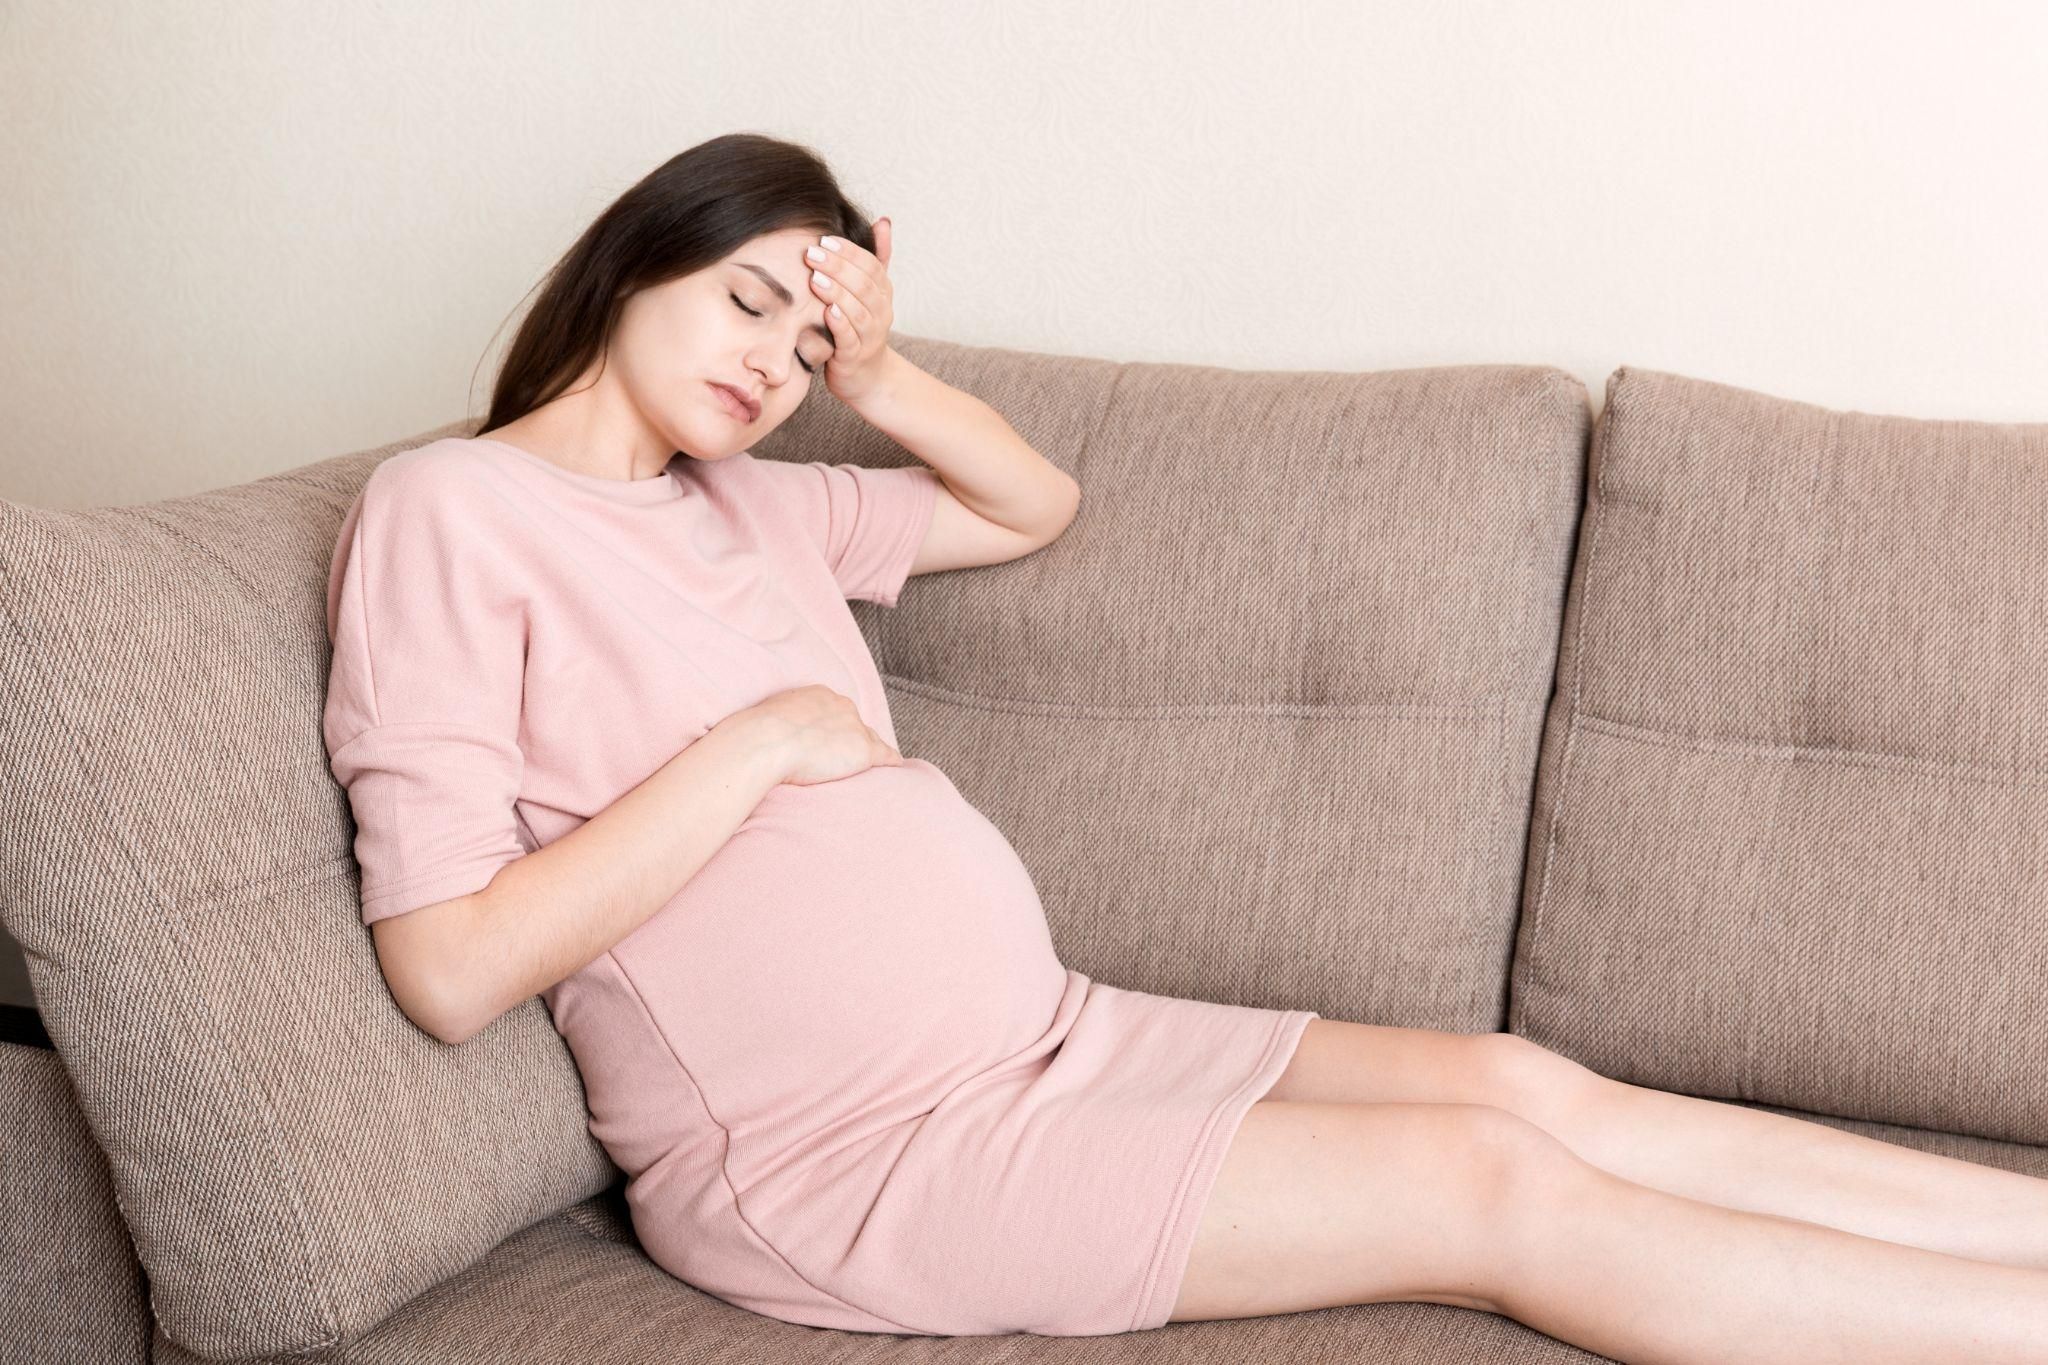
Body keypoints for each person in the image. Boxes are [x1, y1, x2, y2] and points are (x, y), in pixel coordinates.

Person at [323, 134, 2048, 1357]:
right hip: (848, 1157)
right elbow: (449, 966)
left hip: (1053, 1036)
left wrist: (887, 368)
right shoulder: (453, 510)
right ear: (636, 261)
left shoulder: (750, 502)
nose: (775, 362)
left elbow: (1030, 503)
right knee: (1489, 1182)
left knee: (1524, 1083)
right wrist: (762, 742)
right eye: (750, 301)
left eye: (808, 335)